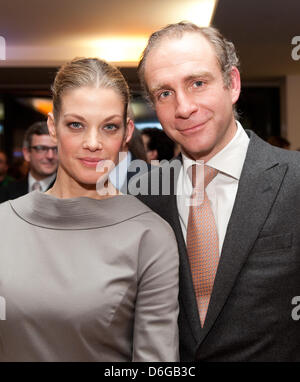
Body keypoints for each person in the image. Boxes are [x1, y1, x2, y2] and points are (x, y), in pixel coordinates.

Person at [136, 21, 300, 361]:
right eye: (165, 93)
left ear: (232, 83)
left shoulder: (295, 179)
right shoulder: (141, 197)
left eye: (197, 83)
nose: (183, 108)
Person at [0, 57, 179, 361]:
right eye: (76, 125)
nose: (93, 143)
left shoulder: (149, 237)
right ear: (52, 127)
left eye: (109, 127)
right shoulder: (5, 221)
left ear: (126, 133)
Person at [0, 121, 58, 202]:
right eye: (41, 148)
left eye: (55, 149)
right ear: (27, 153)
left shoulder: (72, 194)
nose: (50, 156)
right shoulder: (6, 193)